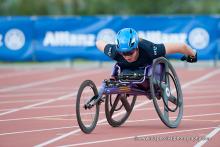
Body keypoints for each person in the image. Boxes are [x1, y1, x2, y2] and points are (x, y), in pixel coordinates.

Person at [96, 28, 197, 78]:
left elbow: (181, 46)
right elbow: (98, 42)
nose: (127, 56)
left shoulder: (150, 50)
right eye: (123, 53)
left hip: (146, 66)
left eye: (130, 52)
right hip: (126, 70)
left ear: (137, 47)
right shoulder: (114, 52)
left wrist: (192, 54)